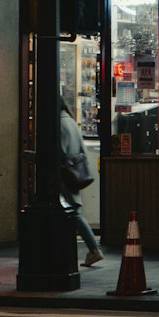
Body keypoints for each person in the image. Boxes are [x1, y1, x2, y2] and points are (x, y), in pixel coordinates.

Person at [60, 99, 104, 268]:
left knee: (75, 214)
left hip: (64, 174)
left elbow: (58, 152)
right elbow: (82, 150)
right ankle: (92, 250)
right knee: (75, 212)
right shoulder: (71, 121)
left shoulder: (60, 125)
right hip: (74, 171)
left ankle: (94, 249)